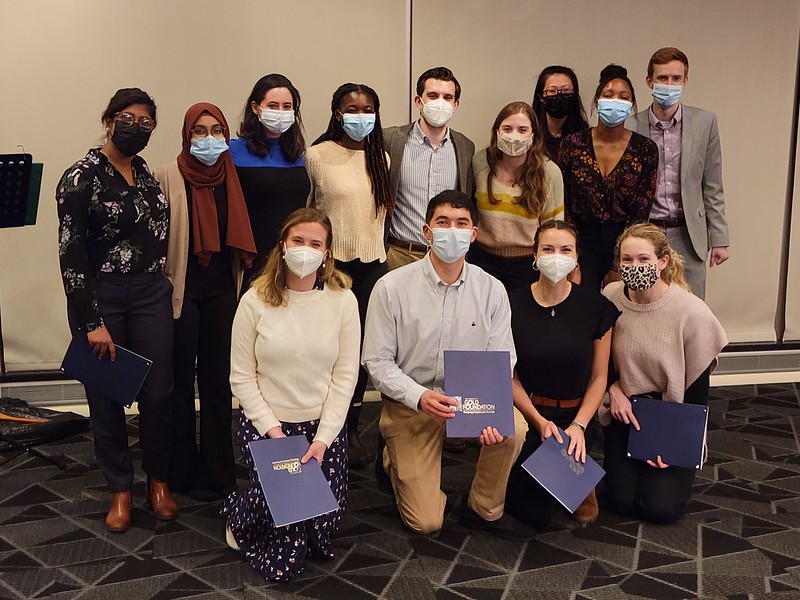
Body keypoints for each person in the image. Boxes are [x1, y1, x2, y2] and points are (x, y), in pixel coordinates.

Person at [362, 190, 534, 540]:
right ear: (427, 231)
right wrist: (420, 397)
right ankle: (392, 457)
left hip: (469, 402)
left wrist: (488, 410)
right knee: (426, 523)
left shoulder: (492, 290)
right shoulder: (391, 287)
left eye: (461, 224)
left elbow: (503, 358)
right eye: (443, 223)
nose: (452, 231)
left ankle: (482, 507)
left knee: (513, 428)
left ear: (473, 234)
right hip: (413, 405)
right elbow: (376, 361)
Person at [56, 88, 176, 532]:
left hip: (149, 292)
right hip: (102, 295)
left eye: (146, 122)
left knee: (158, 392)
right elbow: (71, 255)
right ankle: (120, 489)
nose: (136, 128)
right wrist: (91, 321)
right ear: (109, 120)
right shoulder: (79, 177)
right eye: (128, 118)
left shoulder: (145, 174)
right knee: (106, 396)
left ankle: (158, 481)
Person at [223, 207, 360, 582]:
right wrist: (274, 432)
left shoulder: (343, 301)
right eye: (298, 240)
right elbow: (241, 377)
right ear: (283, 246)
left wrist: (323, 439)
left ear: (327, 253)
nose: (305, 249)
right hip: (268, 425)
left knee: (321, 528)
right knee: (287, 553)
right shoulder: (254, 300)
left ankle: (263, 501)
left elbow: (345, 377)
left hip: (321, 428)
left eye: (315, 244)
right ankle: (242, 511)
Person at [156, 102, 257, 501]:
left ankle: (217, 472)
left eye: (217, 131)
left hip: (221, 292)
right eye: (199, 131)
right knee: (180, 383)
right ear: (186, 135)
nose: (209, 139)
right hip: (181, 294)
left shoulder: (231, 175)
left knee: (217, 383)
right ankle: (180, 470)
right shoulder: (166, 175)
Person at [600, 223, 727, 524]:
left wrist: (676, 446)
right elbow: (601, 360)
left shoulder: (691, 313)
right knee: (619, 501)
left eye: (643, 259)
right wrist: (613, 390)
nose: (634, 266)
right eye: (627, 260)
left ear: (662, 262)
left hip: (670, 413)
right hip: (625, 411)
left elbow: (698, 393)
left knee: (660, 509)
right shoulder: (611, 297)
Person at [503, 220, 618, 528]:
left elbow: (599, 377)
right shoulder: (511, 304)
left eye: (566, 250)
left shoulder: (597, 307)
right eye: (548, 249)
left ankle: (580, 473)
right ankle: (573, 478)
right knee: (529, 512)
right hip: (530, 415)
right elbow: (509, 376)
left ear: (577, 257)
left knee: (564, 506)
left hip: (575, 416)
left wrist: (579, 426)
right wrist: (539, 422)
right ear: (534, 255)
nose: (557, 256)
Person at [306, 83, 392, 468]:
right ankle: (321, 427)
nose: (361, 116)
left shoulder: (381, 157)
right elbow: (307, 213)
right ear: (337, 113)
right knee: (328, 350)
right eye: (352, 109)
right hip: (333, 268)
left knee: (358, 355)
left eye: (368, 109)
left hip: (372, 267)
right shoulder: (316, 156)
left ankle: (350, 428)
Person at [627, 47, 729, 299]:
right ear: (649, 81)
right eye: (662, 78)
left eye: (676, 78)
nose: (669, 85)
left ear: (685, 80)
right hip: (646, 231)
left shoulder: (704, 122)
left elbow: (712, 185)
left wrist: (719, 237)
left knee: (692, 306)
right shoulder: (630, 125)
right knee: (645, 305)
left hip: (688, 233)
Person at [559, 64, 659, 291]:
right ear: (597, 101)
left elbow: (642, 209)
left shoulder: (645, 149)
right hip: (581, 243)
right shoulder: (572, 145)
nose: (615, 101)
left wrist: (618, 263)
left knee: (620, 306)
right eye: (608, 95)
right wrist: (571, 255)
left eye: (623, 97)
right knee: (581, 305)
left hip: (625, 245)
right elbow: (564, 201)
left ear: (632, 105)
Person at [384, 66, 475, 270]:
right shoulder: (391, 140)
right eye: (433, 96)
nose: (440, 102)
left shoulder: (465, 147)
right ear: (419, 101)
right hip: (400, 254)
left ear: (456, 104)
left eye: (447, 97)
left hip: (447, 257)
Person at [470, 101, 564, 293]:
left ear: (533, 135)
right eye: (507, 129)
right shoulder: (480, 162)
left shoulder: (549, 172)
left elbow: (553, 227)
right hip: (482, 259)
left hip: (527, 265)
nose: (514, 136)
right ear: (497, 132)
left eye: (522, 130)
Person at [230, 74, 310, 289]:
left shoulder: (299, 154)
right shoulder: (233, 151)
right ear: (256, 108)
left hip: (293, 256)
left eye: (287, 107)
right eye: (273, 106)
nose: (280, 112)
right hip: (250, 258)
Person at [532, 66, 590, 164]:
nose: (559, 95)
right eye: (552, 91)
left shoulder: (585, 135)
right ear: (541, 97)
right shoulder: (531, 133)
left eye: (566, 90)